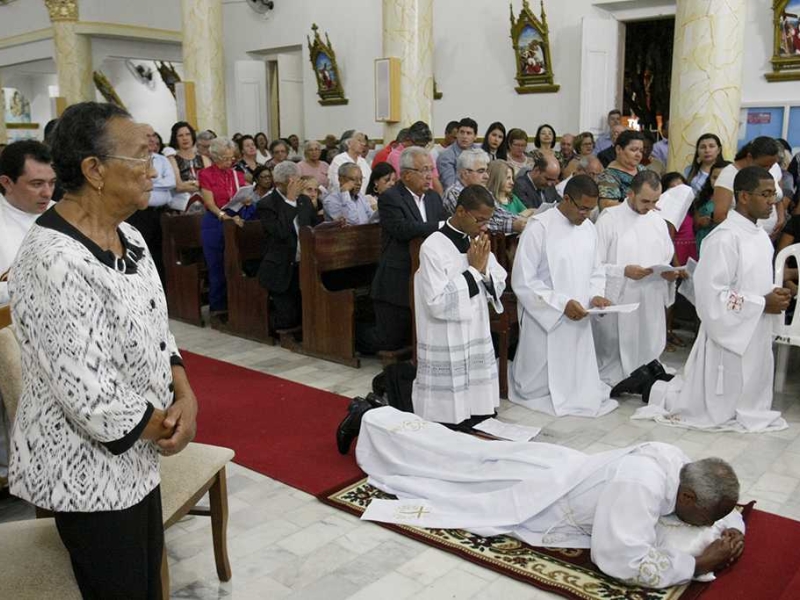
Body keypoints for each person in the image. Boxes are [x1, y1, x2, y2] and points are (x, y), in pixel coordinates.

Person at [8, 101, 198, 599]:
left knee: (146, 581)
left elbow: (161, 330)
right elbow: (90, 396)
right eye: (140, 157)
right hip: (85, 467)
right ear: (94, 169)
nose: (152, 169)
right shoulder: (52, 258)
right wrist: (170, 424)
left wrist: (186, 394)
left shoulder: (130, 237)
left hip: (139, 457)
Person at [355, 406, 745, 588]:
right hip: (543, 498)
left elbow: (721, 505)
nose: (711, 524)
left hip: (559, 467)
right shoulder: (640, 486)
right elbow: (620, 560)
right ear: (689, 495)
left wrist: (733, 528)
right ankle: (371, 420)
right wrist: (692, 564)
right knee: (452, 468)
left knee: (471, 454)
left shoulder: (683, 467)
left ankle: (380, 420)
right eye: (709, 517)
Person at [634, 166, 790, 432]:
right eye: (764, 194)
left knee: (748, 393)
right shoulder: (724, 238)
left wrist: (778, 292)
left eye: (773, 194)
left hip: (755, 328)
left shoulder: (761, 237)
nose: (771, 201)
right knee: (707, 406)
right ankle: (648, 386)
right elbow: (711, 296)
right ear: (742, 196)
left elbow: (757, 282)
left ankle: (656, 382)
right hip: (729, 335)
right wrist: (763, 302)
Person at [509, 175, 618, 417]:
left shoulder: (589, 228)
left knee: (576, 377)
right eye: (582, 208)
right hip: (546, 316)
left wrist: (595, 296)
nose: (587, 215)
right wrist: (561, 304)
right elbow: (524, 280)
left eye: (592, 209)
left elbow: (595, 270)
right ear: (566, 199)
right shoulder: (539, 227)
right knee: (536, 385)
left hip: (579, 313)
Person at [411, 185, 507, 425]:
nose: (484, 226)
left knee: (481, 413)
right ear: (462, 211)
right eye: (480, 219)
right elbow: (437, 301)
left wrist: (483, 271)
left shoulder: (476, 240)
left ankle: (478, 408)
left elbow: (498, 278)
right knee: (450, 415)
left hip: (475, 324)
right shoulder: (433, 247)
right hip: (446, 332)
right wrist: (475, 271)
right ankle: (447, 416)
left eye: (488, 220)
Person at [593, 170, 679, 393]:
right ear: (630, 193)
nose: (650, 207)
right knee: (619, 348)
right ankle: (623, 375)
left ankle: (648, 369)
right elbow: (594, 264)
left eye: (655, 201)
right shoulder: (609, 219)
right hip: (622, 296)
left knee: (649, 336)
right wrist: (623, 271)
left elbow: (666, 256)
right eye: (645, 201)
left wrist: (668, 274)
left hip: (650, 294)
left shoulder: (657, 221)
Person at [364, 147, 447, 352]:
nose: (430, 176)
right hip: (398, 277)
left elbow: (444, 225)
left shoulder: (433, 198)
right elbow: (402, 229)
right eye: (424, 170)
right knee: (389, 342)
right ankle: (347, 335)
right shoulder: (391, 197)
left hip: (427, 272)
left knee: (415, 337)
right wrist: (439, 226)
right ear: (407, 174)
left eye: (431, 169)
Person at [257, 161, 326, 331]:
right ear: (279, 184)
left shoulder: (304, 200)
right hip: (280, 268)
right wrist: (289, 201)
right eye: (293, 183)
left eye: (298, 181)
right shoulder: (266, 205)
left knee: (311, 312)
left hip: (303, 266)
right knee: (289, 318)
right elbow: (280, 232)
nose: (297, 186)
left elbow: (313, 227)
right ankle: (259, 321)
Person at [0, 140, 56, 304]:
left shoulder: (67, 214)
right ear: (7, 183)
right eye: (37, 184)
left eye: (52, 183)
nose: (47, 193)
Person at [198, 137, 248, 319]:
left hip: (235, 218)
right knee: (217, 266)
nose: (230, 161)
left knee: (237, 263)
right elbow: (209, 203)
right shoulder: (206, 174)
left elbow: (241, 194)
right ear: (215, 157)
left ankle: (238, 303)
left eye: (231, 158)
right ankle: (218, 307)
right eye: (226, 158)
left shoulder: (237, 174)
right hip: (215, 222)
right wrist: (223, 216)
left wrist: (246, 199)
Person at [126, 125, 175, 287]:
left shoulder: (162, 160)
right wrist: (158, 184)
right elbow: (135, 184)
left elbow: (171, 182)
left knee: (160, 253)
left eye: (153, 135)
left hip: (161, 214)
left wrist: (152, 183)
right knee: (142, 254)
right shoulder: (132, 160)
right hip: (140, 214)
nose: (152, 139)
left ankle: (162, 290)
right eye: (147, 136)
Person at [712, 136, 783, 238]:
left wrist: (781, 217)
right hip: (742, 237)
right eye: (763, 166)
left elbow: (778, 197)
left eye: (771, 166)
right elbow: (719, 215)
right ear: (749, 157)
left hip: (768, 237)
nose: (767, 170)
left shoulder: (773, 166)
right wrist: (747, 234)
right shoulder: (729, 175)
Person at [444, 149, 527, 235]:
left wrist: (522, 221)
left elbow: (499, 213)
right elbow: (479, 223)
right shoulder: (454, 193)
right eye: (481, 171)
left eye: (486, 171)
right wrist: (513, 224)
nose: (486, 176)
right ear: (465, 173)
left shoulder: (482, 191)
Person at [387, 121, 443, 195]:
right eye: (419, 145)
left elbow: (434, 180)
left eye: (424, 146)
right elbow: (406, 182)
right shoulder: (395, 156)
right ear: (408, 139)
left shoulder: (425, 154)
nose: (421, 148)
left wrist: (439, 200)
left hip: (428, 196)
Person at [167, 121, 211, 211]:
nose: (185, 138)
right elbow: (179, 187)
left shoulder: (204, 159)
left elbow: (211, 184)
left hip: (206, 205)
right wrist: (199, 184)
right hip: (181, 207)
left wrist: (188, 184)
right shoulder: (172, 160)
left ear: (192, 136)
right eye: (180, 135)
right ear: (175, 139)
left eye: (187, 134)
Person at [597, 130, 645, 211]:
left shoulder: (643, 169)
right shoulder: (608, 176)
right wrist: (639, 205)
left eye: (641, 151)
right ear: (619, 149)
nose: (638, 155)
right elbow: (606, 205)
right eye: (633, 150)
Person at [693, 160, 730, 253]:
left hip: (724, 243)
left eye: (722, 178)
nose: (717, 181)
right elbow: (695, 221)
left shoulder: (736, 199)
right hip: (703, 241)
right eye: (714, 177)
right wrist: (700, 222)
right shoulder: (704, 196)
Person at [436, 117, 479, 188]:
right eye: (462, 132)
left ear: (475, 136)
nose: (464, 136)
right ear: (457, 134)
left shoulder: (479, 151)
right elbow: (451, 185)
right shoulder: (446, 156)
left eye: (469, 133)